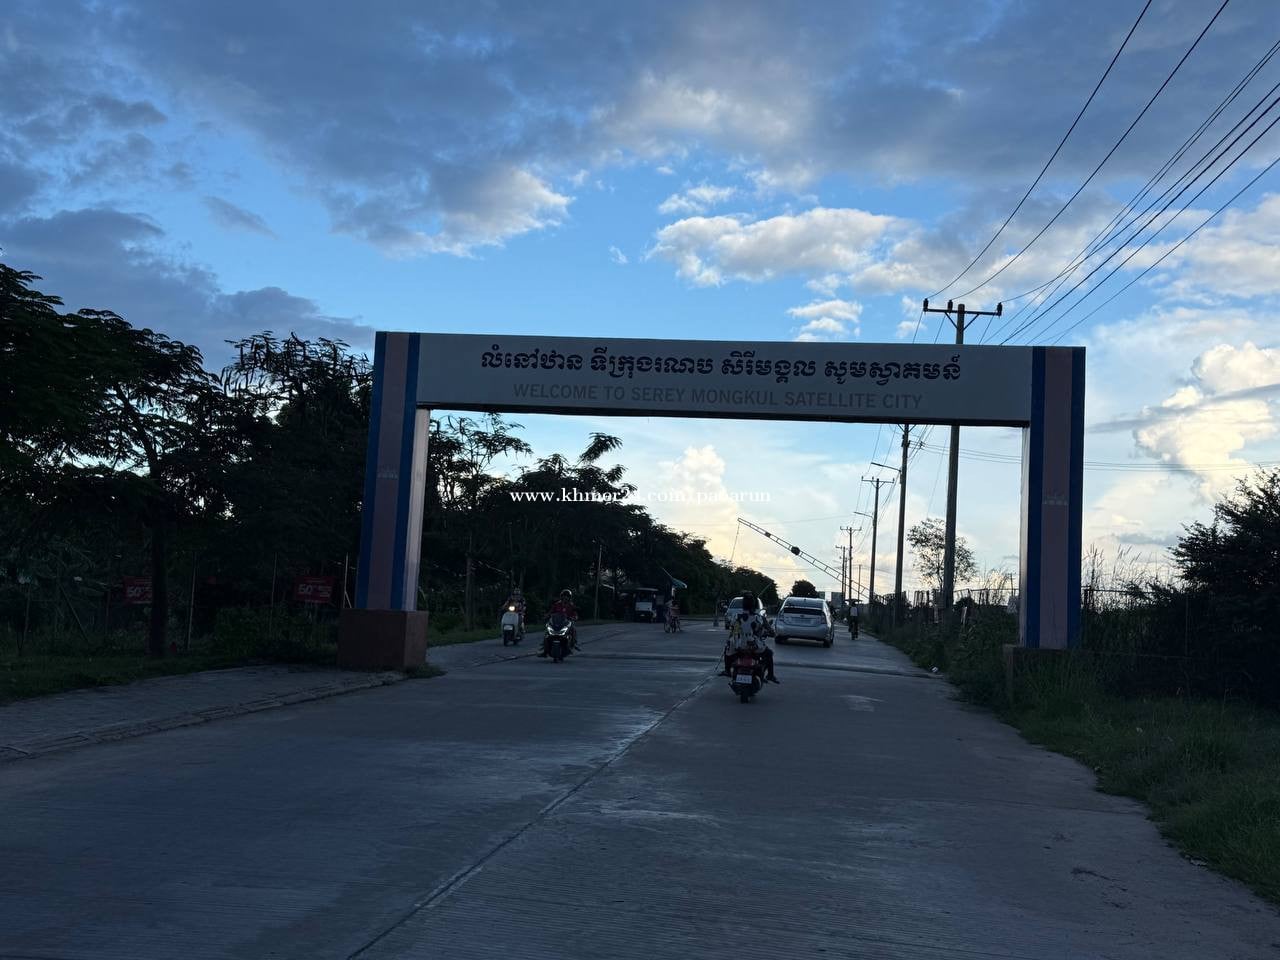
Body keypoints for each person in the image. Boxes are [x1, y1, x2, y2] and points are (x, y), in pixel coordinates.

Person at [721, 591, 779, 683]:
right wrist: (772, 633)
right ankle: (770, 675)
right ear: (754, 605)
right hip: (754, 647)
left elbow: (733, 631)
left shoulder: (736, 617)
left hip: (738, 647)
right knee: (769, 654)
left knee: (727, 647)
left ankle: (727, 670)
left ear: (743, 605)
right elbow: (771, 631)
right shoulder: (759, 618)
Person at [538, 588, 580, 656]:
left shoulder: (571, 605)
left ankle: (573, 643)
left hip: (567, 622)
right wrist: (546, 616)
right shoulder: (557, 604)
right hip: (557, 622)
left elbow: (575, 614)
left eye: (567, 596)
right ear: (561, 596)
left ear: (569, 598)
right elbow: (551, 612)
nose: (565, 597)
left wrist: (574, 617)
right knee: (547, 630)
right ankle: (545, 649)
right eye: (564, 596)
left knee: (573, 628)